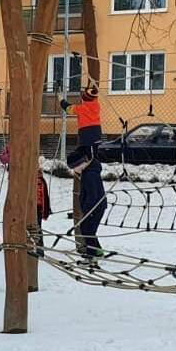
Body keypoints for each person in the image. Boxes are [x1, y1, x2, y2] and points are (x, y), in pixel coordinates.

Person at [61, 86, 106, 258]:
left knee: (87, 225)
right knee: (88, 225)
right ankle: (94, 249)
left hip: (87, 138)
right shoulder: (96, 105)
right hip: (94, 136)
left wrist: (62, 101)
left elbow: (69, 108)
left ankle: (92, 252)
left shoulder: (81, 108)